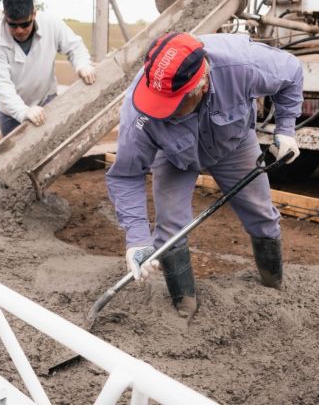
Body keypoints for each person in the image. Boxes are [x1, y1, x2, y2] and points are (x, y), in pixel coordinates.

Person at [105, 32, 303, 320]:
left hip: (233, 142)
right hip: (173, 156)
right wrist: (136, 240)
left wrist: (286, 129)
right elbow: (126, 174)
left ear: (201, 84)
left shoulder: (240, 65)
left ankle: (273, 286)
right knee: (170, 231)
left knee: (262, 214)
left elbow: (292, 72)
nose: (163, 111)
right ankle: (184, 308)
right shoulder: (140, 111)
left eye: (172, 103)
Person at [0, 0, 97, 136]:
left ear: (34, 14)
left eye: (25, 24)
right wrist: (23, 111)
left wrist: (83, 65)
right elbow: (1, 84)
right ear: (4, 15)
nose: (19, 30)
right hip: (11, 112)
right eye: (13, 25)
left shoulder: (51, 24)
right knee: (16, 157)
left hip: (47, 101)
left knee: (54, 151)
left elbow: (74, 46)